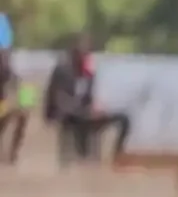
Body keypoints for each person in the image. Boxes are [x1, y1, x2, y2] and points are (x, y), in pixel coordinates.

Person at [46, 35, 131, 163]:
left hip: (84, 113)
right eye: (82, 53)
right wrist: (82, 110)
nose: (85, 57)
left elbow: (88, 98)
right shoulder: (62, 71)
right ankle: (82, 157)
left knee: (124, 118)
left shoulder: (88, 73)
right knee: (81, 119)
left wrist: (96, 107)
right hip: (67, 114)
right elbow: (59, 100)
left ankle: (117, 154)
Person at [0, 46, 30, 164]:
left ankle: (13, 152)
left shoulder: (10, 73)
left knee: (23, 115)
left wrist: (23, 103)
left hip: (3, 105)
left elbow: (22, 88)